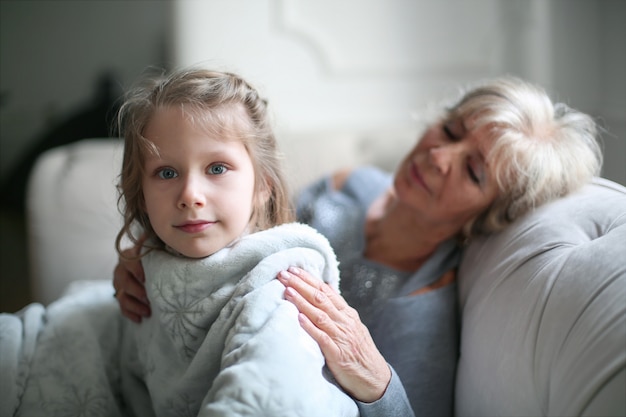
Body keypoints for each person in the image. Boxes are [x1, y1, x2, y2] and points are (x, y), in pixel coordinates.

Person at [113, 76, 603, 416]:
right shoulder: (351, 185)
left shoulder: (422, 305)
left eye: (473, 170)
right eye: (451, 130)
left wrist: (377, 382)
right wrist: (149, 262)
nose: (437, 155)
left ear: (491, 213)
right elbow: (244, 234)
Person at [111, 68, 359, 416]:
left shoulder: (279, 292)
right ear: (141, 194)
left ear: (262, 187)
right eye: (167, 173)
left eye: (216, 168)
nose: (190, 195)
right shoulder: (144, 271)